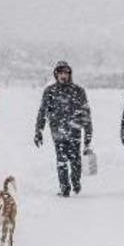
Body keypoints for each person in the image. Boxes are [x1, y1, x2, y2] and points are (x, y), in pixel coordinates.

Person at [34, 61, 93, 197]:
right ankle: (64, 187)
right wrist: (39, 131)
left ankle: (76, 182)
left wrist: (88, 135)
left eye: (66, 72)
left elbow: (86, 114)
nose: (63, 75)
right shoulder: (50, 91)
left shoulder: (78, 91)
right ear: (56, 74)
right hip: (58, 132)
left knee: (75, 160)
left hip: (75, 131)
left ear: (69, 74)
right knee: (61, 161)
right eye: (60, 72)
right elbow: (42, 112)